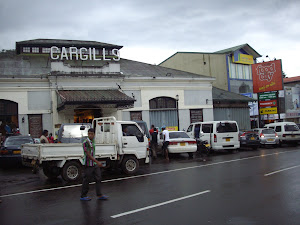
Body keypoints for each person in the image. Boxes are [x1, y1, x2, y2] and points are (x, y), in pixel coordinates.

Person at [80, 128, 108, 201]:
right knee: (87, 180)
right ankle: (83, 195)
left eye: (91, 134)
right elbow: (88, 155)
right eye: (89, 134)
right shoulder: (85, 142)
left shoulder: (93, 141)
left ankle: (99, 195)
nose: (90, 135)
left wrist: (96, 162)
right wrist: (97, 162)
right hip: (88, 164)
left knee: (98, 178)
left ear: (94, 134)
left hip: (94, 164)